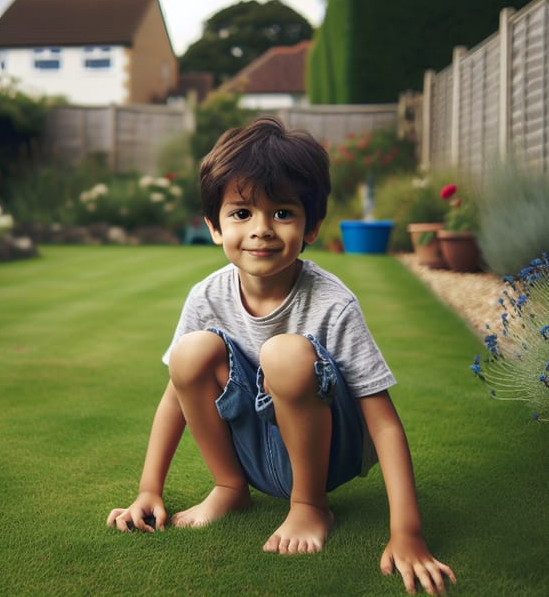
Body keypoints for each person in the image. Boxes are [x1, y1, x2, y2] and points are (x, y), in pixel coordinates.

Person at [107, 116, 456, 595]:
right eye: (242, 213)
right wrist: (149, 490)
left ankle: (310, 506)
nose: (262, 231)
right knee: (190, 353)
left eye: (283, 213)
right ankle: (230, 489)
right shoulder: (206, 297)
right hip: (252, 453)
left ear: (312, 225)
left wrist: (408, 534)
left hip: (328, 452)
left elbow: (383, 424)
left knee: (286, 354)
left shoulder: (331, 302)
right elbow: (175, 397)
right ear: (214, 226)